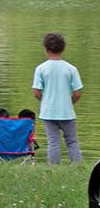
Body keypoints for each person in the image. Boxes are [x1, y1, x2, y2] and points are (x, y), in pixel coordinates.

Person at [33, 32, 83, 164]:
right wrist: (70, 102)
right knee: (72, 141)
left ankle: (54, 168)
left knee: (53, 142)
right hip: (67, 112)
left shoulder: (40, 69)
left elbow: (36, 92)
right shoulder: (71, 69)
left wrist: (45, 101)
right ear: (63, 48)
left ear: (46, 49)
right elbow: (77, 93)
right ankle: (77, 166)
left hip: (48, 112)